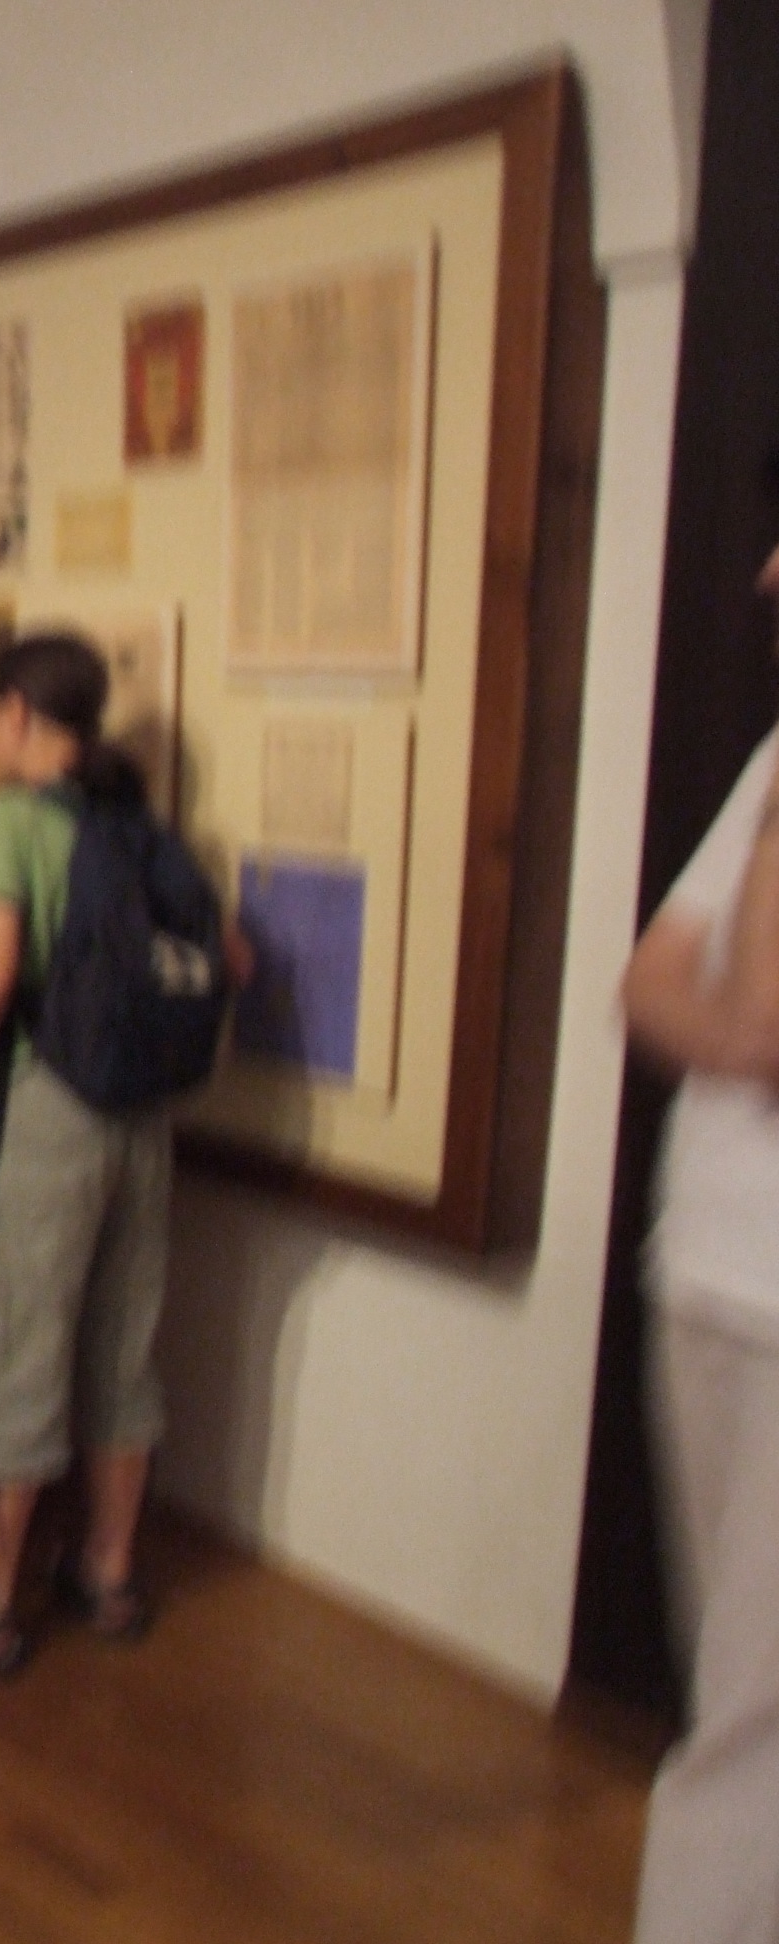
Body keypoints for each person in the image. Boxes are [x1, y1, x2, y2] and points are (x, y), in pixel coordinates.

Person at [0, 631, 177, 1674]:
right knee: (123, 1340)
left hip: (47, 1103)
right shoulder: (136, 820)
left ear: (18, 712)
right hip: (145, 1114)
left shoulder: (3, 819)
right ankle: (107, 1571)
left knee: (19, 1336)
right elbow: (230, 954)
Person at [619, 540, 779, 1944]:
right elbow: (658, 984)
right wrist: (728, 1028)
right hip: (718, 1274)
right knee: (734, 1702)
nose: (771, 571)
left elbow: (752, 1010)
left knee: (747, 1736)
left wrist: (730, 1026)